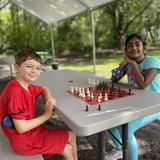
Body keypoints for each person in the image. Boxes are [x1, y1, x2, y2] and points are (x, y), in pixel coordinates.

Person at [0, 49, 78, 160]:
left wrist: (48, 100)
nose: (34, 71)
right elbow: (21, 128)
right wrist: (46, 115)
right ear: (16, 68)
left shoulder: (27, 86)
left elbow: (44, 89)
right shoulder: (15, 92)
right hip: (24, 142)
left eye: (38, 68)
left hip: (30, 134)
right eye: (29, 66)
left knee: (71, 136)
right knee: (68, 145)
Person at [105, 33, 160, 160]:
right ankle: (119, 149)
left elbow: (143, 85)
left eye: (137, 44)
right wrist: (123, 65)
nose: (133, 48)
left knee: (125, 128)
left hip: (154, 105)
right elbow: (114, 78)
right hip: (136, 103)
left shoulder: (153, 61)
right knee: (110, 122)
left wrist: (133, 64)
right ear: (126, 50)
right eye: (129, 45)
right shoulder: (129, 63)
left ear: (144, 48)